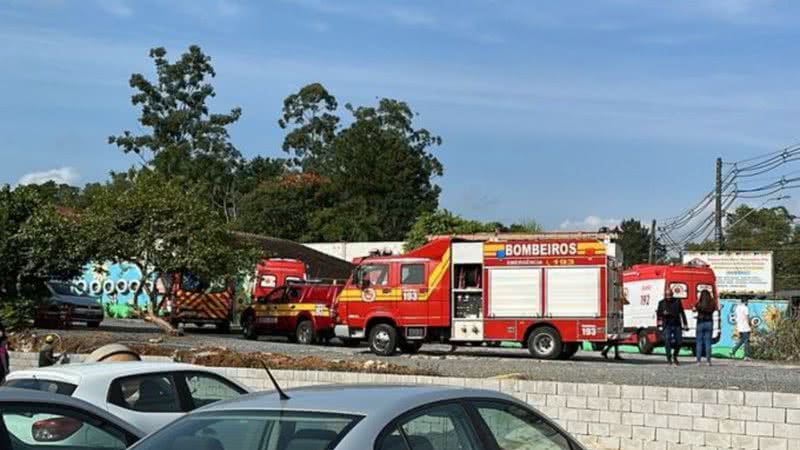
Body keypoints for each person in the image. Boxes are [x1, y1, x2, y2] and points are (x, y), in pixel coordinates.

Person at [657, 289, 688, 366]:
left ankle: (675, 355)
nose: (669, 297)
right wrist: (662, 315)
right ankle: (669, 357)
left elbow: (682, 312)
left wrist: (685, 323)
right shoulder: (661, 303)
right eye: (667, 295)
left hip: (677, 324)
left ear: (672, 294)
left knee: (679, 341)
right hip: (667, 324)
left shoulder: (677, 301)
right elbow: (659, 313)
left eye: (670, 295)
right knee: (667, 340)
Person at [694, 290, 717, 366]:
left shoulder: (699, 304)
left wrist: (697, 303)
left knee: (699, 342)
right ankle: (708, 361)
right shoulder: (712, 303)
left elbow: (695, 308)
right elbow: (714, 309)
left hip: (700, 322)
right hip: (709, 322)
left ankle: (698, 361)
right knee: (708, 342)